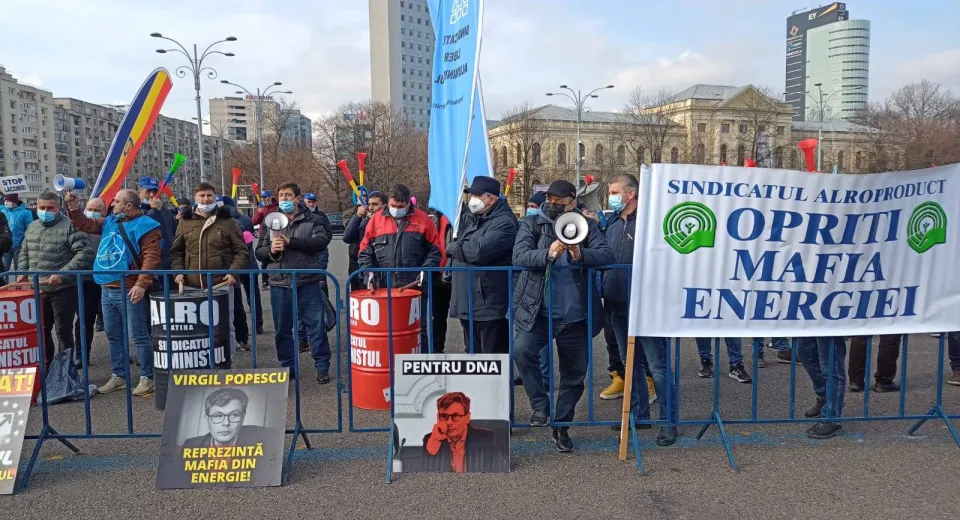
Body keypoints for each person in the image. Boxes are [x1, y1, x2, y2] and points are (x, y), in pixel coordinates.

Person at [512, 179, 614, 453]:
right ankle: (540, 405)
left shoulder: (588, 226)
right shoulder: (533, 224)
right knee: (522, 351)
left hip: (576, 317)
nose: (556, 208)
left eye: (562, 204)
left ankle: (562, 427)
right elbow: (519, 255)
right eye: (552, 204)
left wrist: (581, 255)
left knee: (573, 376)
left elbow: (607, 255)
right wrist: (547, 253)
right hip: (540, 311)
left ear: (573, 202)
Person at [601, 174, 676, 445]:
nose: (610, 196)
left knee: (658, 366)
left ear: (630, 194)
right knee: (630, 363)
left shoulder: (651, 223)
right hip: (617, 305)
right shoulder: (611, 223)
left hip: (648, 305)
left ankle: (669, 421)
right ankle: (638, 414)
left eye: (614, 191)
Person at [66, 189, 161, 396]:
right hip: (106, 286)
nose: (112, 204)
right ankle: (119, 375)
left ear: (129, 206)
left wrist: (141, 284)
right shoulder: (111, 221)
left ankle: (147, 377)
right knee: (113, 335)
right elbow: (86, 224)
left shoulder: (147, 226)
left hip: (128, 288)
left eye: (116, 201)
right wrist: (74, 207)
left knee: (138, 334)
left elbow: (151, 257)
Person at [255, 182, 333, 384]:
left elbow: (320, 242)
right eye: (281, 195)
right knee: (282, 328)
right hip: (279, 282)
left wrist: (291, 242)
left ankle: (322, 366)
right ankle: (288, 366)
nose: (284, 199)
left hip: (307, 280)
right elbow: (260, 252)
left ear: (298, 198)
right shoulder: (270, 220)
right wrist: (272, 250)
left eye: (288, 195)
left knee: (316, 326)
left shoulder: (313, 219)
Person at [358, 184, 442, 350]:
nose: (396, 209)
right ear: (388, 202)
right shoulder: (375, 220)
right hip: (384, 288)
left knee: (418, 330)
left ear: (408, 204)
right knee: (387, 331)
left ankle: (420, 368)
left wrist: (426, 271)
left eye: (400, 207)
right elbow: (365, 251)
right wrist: (369, 274)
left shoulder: (423, 219)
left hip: (415, 287)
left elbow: (435, 249)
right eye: (393, 206)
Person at [171, 183, 248, 357]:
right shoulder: (185, 221)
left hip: (220, 284)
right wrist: (178, 273)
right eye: (202, 196)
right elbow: (176, 251)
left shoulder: (228, 221)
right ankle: (199, 370)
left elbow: (241, 251)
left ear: (215, 197)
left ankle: (226, 366)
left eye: (209, 195)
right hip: (191, 285)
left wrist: (233, 272)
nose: (206, 199)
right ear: (195, 197)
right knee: (194, 330)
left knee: (225, 327)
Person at [16, 192, 93, 366]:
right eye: (42, 207)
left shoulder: (70, 226)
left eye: (50, 208)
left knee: (63, 332)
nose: (45, 211)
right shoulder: (33, 226)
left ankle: (65, 373)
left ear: (58, 208)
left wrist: (62, 273)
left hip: (63, 290)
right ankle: (48, 370)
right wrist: (22, 270)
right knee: (42, 331)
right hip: (38, 289)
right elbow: (25, 251)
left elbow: (85, 253)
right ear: (36, 206)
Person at [447, 176, 518, 354]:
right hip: (468, 301)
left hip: (488, 302)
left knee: (492, 357)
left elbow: (478, 252)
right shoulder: (473, 218)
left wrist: (453, 247)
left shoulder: (504, 222)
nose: (473, 200)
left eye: (477, 196)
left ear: (491, 199)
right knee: (473, 355)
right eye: (471, 195)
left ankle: (498, 383)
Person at [420, 392, 507, 473]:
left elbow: (499, 471)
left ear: (467, 418)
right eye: (444, 416)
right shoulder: (430, 440)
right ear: (438, 418)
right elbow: (427, 476)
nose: (449, 422)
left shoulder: (486, 438)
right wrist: (435, 441)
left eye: (456, 416)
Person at [221, 196, 264, 349]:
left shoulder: (227, 221)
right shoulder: (245, 218)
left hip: (236, 267)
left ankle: (240, 336)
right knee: (253, 296)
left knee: (237, 302)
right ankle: (258, 325)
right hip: (250, 264)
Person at [296, 193, 332, 353]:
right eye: (308, 201)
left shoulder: (321, 217)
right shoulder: (298, 216)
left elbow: (327, 237)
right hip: (300, 268)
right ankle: (301, 340)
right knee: (299, 309)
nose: (311, 204)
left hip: (317, 267)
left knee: (317, 308)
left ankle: (315, 341)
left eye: (313, 202)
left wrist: (320, 269)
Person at [73, 197, 107, 366]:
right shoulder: (78, 226)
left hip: (107, 278)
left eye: (96, 210)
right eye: (89, 208)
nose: (91, 212)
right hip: (85, 279)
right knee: (85, 319)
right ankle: (82, 355)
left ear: (104, 213)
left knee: (113, 319)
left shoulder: (107, 227)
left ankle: (121, 353)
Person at [798, 336, 847, 439]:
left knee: (831, 364)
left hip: (831, 323)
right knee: (805, 353)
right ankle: (827, 398)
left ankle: (832, 416)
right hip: (811, 322)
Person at [343, 191, 385, 291]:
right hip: (359, 262)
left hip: (380, 265)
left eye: (375, 204)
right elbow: (347, 237)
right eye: (370, 204)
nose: (371, 207)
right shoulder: (355, 214)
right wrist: (358, 217)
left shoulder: (386, 219)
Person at [426, 206, 452, 353]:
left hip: (456, 274)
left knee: (466, 318)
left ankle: (471, 354)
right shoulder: (433, 219)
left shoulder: (460, 218)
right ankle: (437, 352)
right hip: (437, 275)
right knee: (438, 317)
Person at [137, 176, 175, 270]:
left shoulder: (166, 212)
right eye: (148, 191)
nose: (152, 195)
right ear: (140, 192)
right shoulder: (137, 211)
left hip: (167, 260)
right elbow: (143, 229)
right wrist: (154, 210)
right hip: (146, 261)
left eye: (155, 191)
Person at [2, 193, 35, 276]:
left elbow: (30, 229)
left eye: (8, 201)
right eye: (5, 200)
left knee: (19, 269)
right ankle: (3, 288)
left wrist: (24, 242)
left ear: (13, 202)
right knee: (4, 269)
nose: (6, 202)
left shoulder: (25, 213)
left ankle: (18, 287)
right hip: (6, 245)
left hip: (19, 246)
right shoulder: (3, 211)